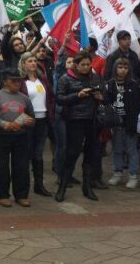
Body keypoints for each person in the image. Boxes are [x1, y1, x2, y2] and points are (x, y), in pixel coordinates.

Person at [55, 50, 104, 202]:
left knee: (91, 153)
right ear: (76, 65)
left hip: (93, 120)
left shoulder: (95, 77)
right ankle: (62, 187)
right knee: (72, 153)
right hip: (75, 120)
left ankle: (87, 186)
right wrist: (78, 95)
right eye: (82, 65)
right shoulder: (66, 78)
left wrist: (100, 96)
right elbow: (59, 98)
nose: (86, 67)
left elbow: (105, 96)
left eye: (88, 65)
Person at [0, 69, 35, 207]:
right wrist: (3, 124)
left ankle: (21, 194)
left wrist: (28, 121)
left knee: (22, 166)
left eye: (19, 80)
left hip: (20, 135)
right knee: (1, 166)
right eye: (14, 80)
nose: (18, 83)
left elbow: (31, 116)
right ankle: (3, 194)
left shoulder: (24, 98)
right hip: (1, 135)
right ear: (5, 81)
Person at [19, 52, 55, 197]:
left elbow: (50, 97)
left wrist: (50, 113)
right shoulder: (21, 81)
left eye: (34, 61)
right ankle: (23, 186)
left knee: (38, 154)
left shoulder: (43, 79)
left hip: (43, 121)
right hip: (27, 121)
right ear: (23, 64)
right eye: (30, 61)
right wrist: (22, 118)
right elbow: (17, 102)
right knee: (26, 154)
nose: (33, 63)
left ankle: (39, 185)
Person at [105, 58, 140, 189]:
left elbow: (139, 105)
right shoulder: (110, 84)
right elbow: (106, 102)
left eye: (125, 67)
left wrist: (134, 123)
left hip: (129, 123)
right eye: (120, 67)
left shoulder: (134, 85)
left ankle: (133, 175)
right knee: (117, 149)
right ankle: (117, 172)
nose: (123, 70)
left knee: (131, 149)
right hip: (115, 123)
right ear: (115, 69)